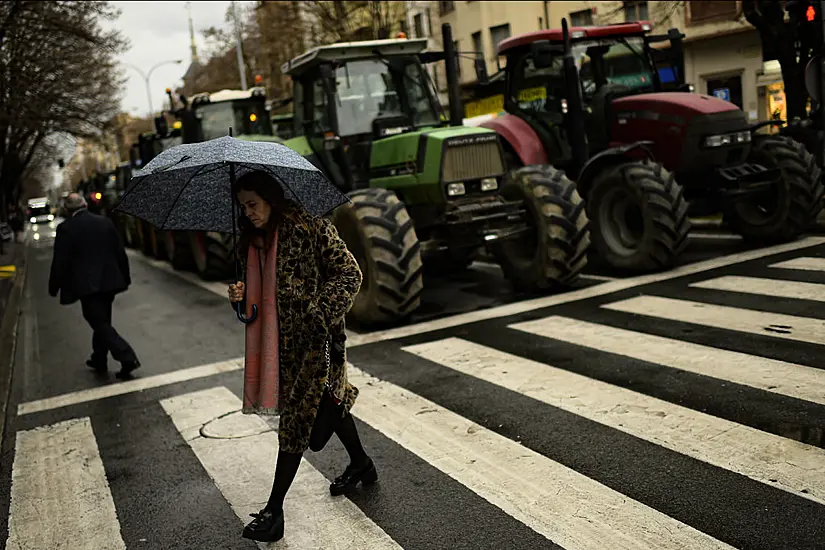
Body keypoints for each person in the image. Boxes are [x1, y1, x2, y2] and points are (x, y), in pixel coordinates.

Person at [227, 170, 375, 543]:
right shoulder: (252, 244)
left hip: (319, 346)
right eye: (242, 206)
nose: (247, 213)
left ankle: (274, 510)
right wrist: (240, 297)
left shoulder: (312, 229)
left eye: (253, 204)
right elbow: (260, 306)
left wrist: (319, 313)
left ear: (270, 199)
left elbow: (349, 274)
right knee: (330, 405)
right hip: (280, 349)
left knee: (295, 423)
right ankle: (361, 464)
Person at [48, 193, 140, 378]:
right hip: (110, 281)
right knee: (102, 321)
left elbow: (61, 261)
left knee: (98, 322)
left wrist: (54, 286)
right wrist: (125, 276)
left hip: (87, 285)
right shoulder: (104, 222)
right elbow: (119, 251)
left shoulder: (66, 229)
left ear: (67, 209)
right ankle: (99, 358)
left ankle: (126, 356)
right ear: (85, 205)